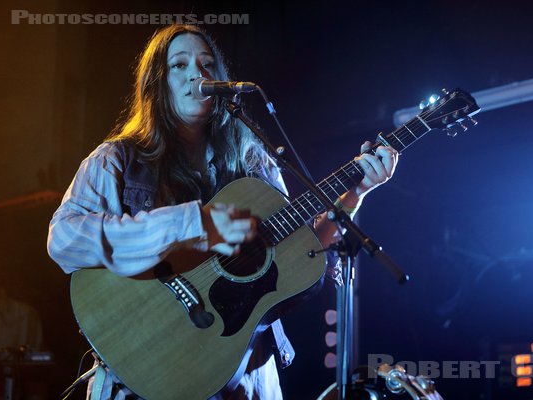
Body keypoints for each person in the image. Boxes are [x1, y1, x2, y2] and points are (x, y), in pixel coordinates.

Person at [47, 24, 399, 400]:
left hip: (248, 378)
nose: (197, 74)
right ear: (156, 84)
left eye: (206, 63)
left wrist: (354, 195)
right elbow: (64, 239)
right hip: (144, 376)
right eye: (179, 65)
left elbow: (300, 247)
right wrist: (191, 224)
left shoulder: (254, 161)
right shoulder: (116, 159)